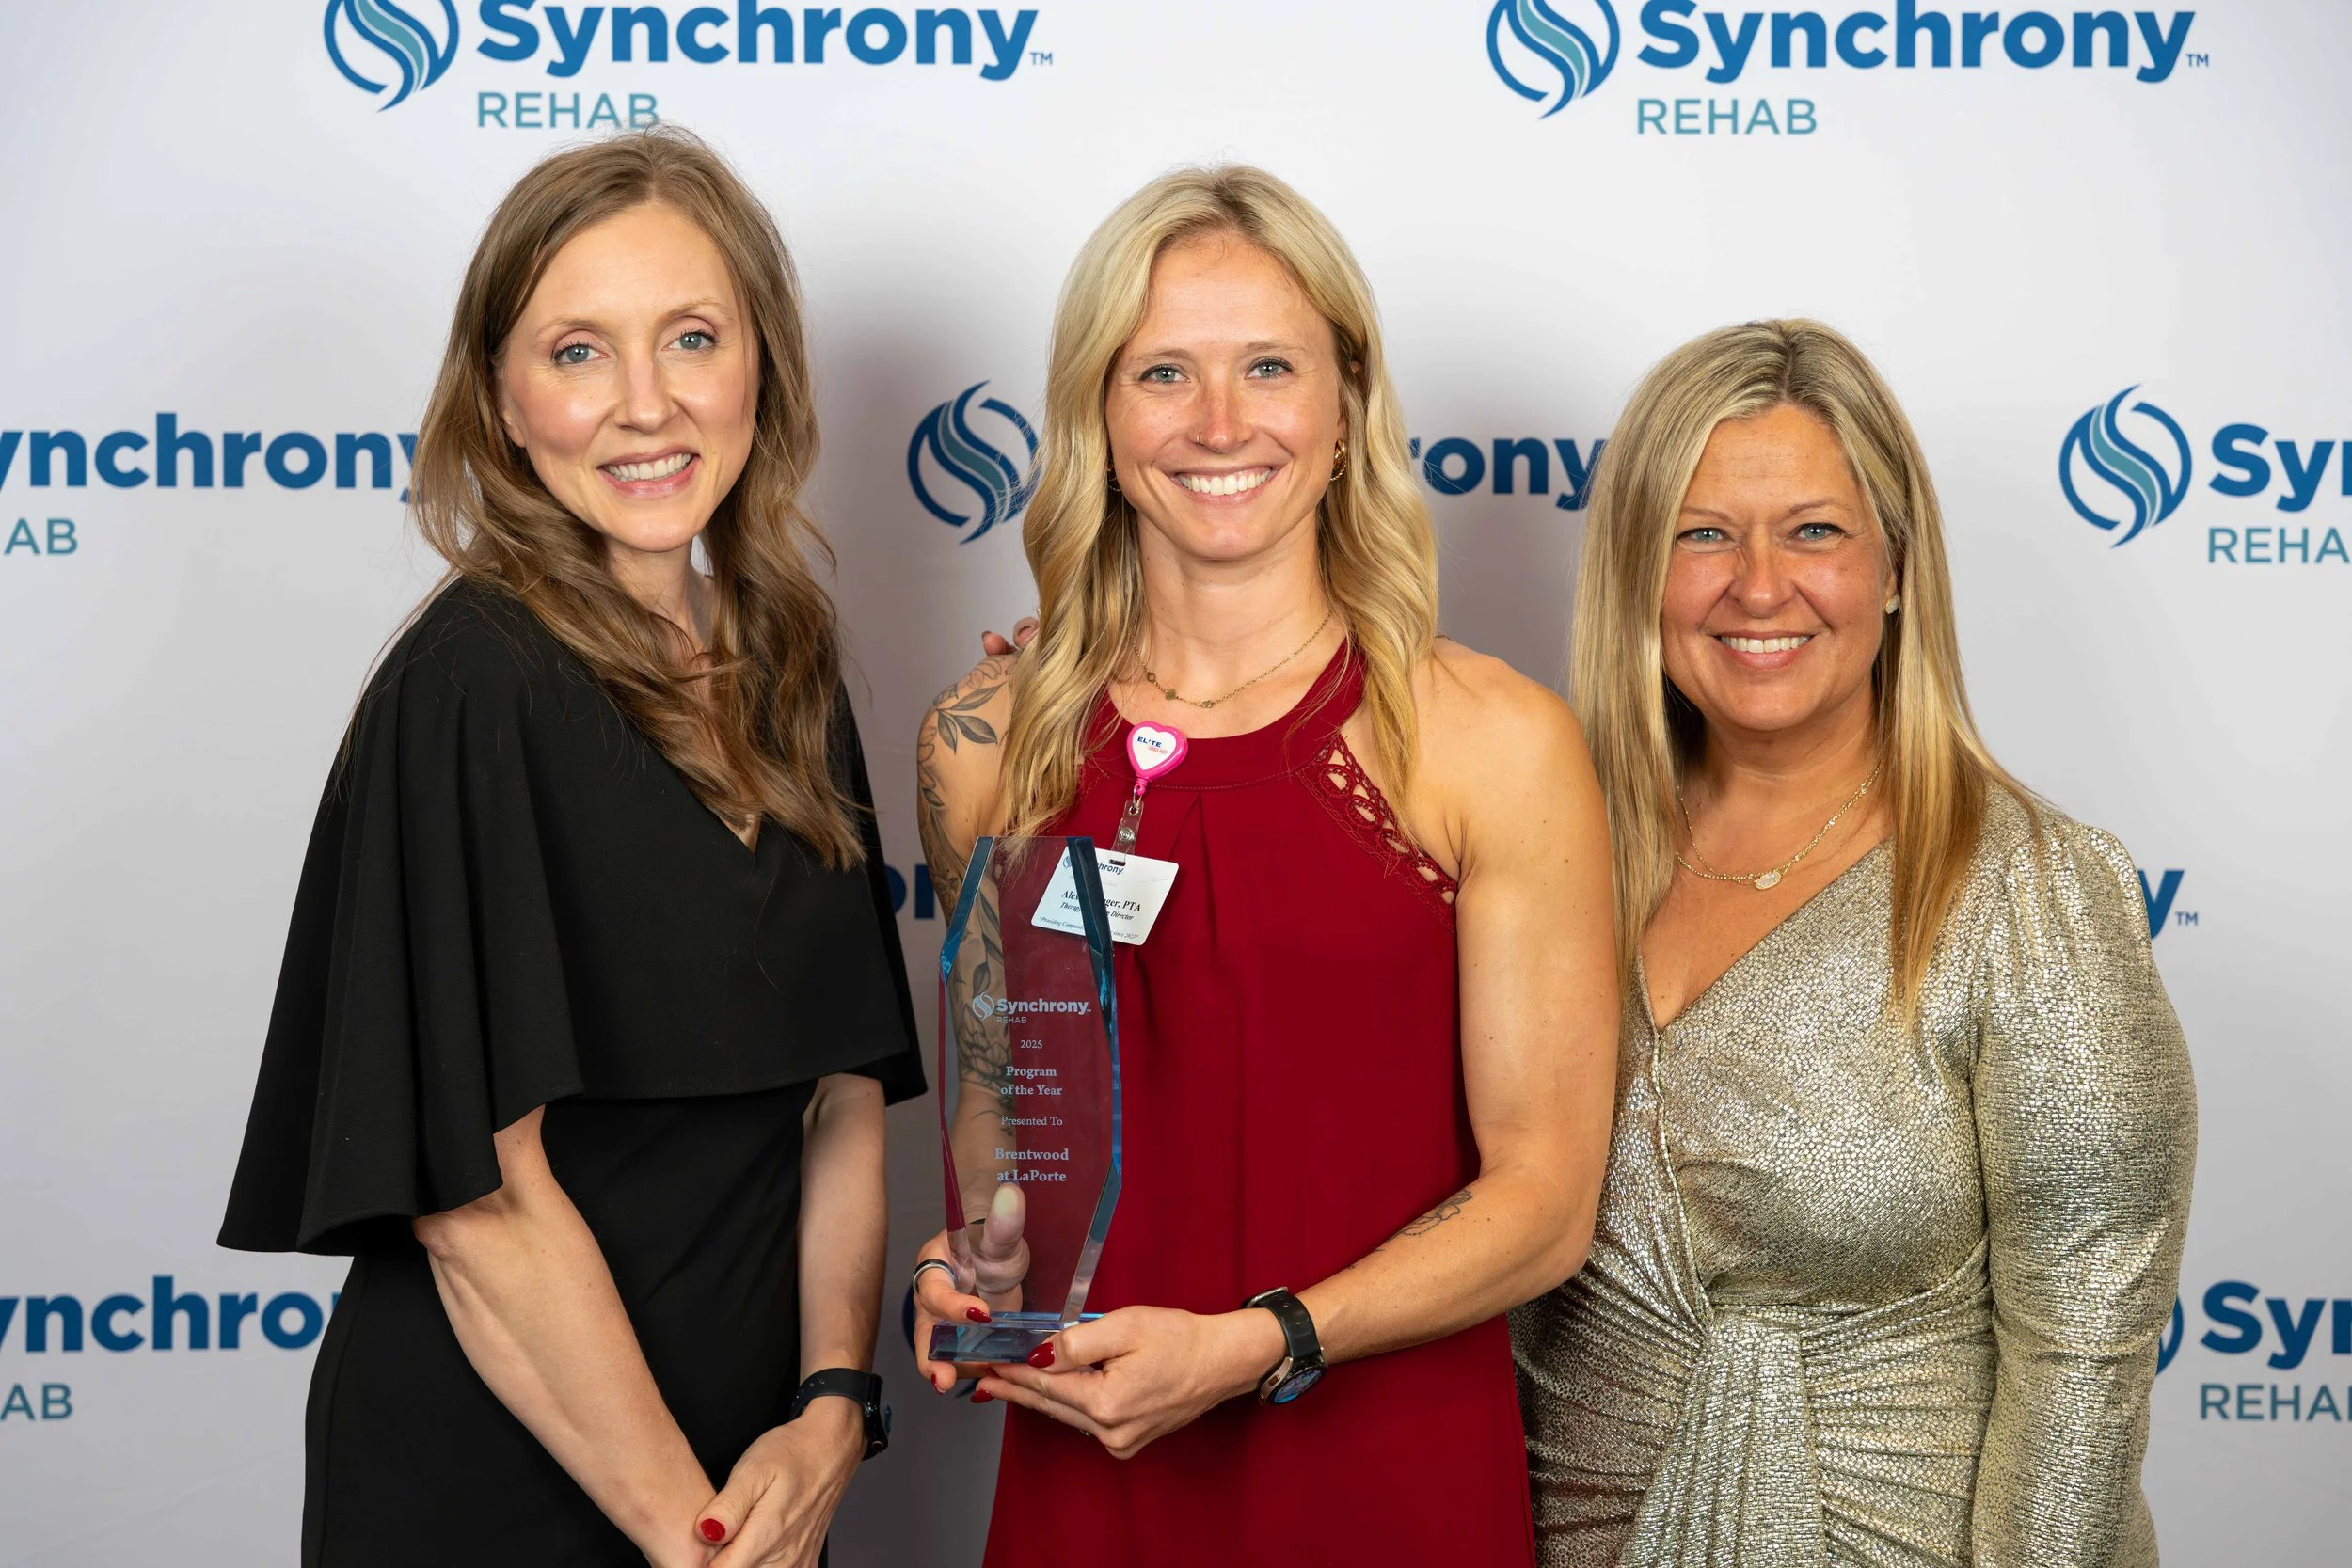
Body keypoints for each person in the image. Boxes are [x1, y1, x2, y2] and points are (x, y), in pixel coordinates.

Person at [217, 128, 923, 1568]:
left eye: (692, 337)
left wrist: (832, 1404)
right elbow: (476, 1203)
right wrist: (695, 1533)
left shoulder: (790, 666)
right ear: (502, 397)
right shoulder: (469, 687)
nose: (647, 403)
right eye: (579, 351)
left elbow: (844, 1094)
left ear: (763, 362)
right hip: (512, 1480)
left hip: (758, 1477)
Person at [910, 165, 1620, 1567]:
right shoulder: (986, 740)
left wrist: (1257, 1344)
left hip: (1385, 1477)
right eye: (1163, 372)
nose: (1221, 423)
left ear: (1347, 405)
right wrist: (966, 1264)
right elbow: (1006, 1127)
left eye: (1270, 368)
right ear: (1097, 414)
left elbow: (1544, 1205)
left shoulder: (1491, 741)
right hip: (1088, 1475)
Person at [1511, 320, 2198, 1567]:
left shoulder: (2028, 891)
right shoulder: (1542, 860)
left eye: (1814, 531)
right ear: (1637, 571)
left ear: (1894, 568)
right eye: (1701, 534)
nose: (1758, 586)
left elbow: (2083, 1372)